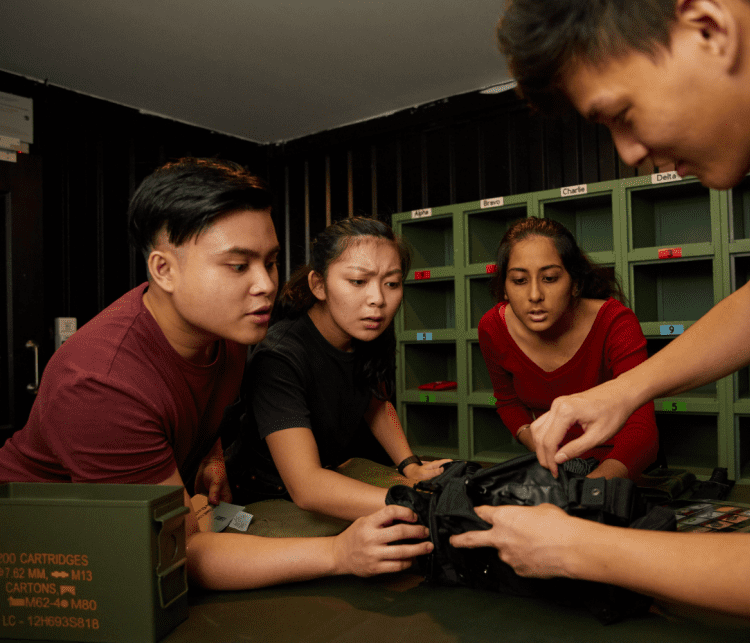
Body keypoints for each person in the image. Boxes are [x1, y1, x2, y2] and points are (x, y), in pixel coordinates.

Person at [451, 0, 750, 638]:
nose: (629, 153)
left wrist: (578, 547)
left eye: (622, 116)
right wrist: (620, 391)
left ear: (708, 25)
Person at [0, 158, 433, 590]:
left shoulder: (228, 335)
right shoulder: (101, 383)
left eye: (271, 261)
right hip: (33, 551)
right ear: (163, 270)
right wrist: (340, 553)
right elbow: (182, 555)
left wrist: (211, 455)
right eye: (239, 265)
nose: (266, 284)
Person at [232, 216, 450, 521]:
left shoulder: (369, 329)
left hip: (330, 476)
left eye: (391, 283)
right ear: (318, 285)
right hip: (268, 498)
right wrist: (421, 504)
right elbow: (306, 487)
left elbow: (374, 399)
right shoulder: (279, 357)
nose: (378, 300)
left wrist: (409, 464)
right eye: (358, 282)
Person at [478, 217, 657, 480]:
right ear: (504, 287)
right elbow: (507, 402)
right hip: (554, 469)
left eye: (550, 278)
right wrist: (544, 450)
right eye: (519, 280)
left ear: (574, 283)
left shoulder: (616, 323)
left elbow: (642, 429)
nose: (535, 295)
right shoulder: (492, 328)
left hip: (619, 467)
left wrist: (590, 488)